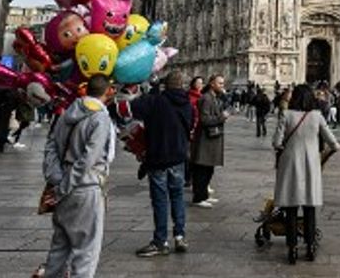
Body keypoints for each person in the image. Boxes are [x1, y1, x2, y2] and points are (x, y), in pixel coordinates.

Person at [40, 75, 115, 278]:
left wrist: (56, 178)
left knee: (59, 247)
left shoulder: (67, 113)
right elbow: (89, 158)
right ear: (108, 91)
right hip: (86, 187)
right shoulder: (100, 118)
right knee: (86, 251)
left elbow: (51, 146)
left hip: (62, 183)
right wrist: (65, 186)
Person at [123, 71, 193, 257]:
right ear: (182, 85)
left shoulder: (155, 101)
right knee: (177, 196)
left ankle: (161, 241)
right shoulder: (187, 104)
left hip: (158, 158)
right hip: (178, 157)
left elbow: (129, 109)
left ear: (166, 85)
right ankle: (180, 236)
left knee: (161, 200)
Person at [273, 84, 340, 265]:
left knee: (291, 207)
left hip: (290, 165)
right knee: (310, 207)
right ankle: (310, 246)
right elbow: (334, 143)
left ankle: (292, 248)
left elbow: (276, 142)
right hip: (311, 165)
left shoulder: (286, 115)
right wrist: (325, 152)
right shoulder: (316, 116)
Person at [190, 73, 227, 207]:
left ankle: (204, 195)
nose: (222, 86)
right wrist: (222, 118)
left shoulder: (214, 98)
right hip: (206, 139)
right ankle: (198, 198)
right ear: (212, 84)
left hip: (212, 138)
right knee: (202, 169)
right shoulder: (206, 99)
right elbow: (204, 120)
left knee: (208, 169)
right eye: (220, 83)